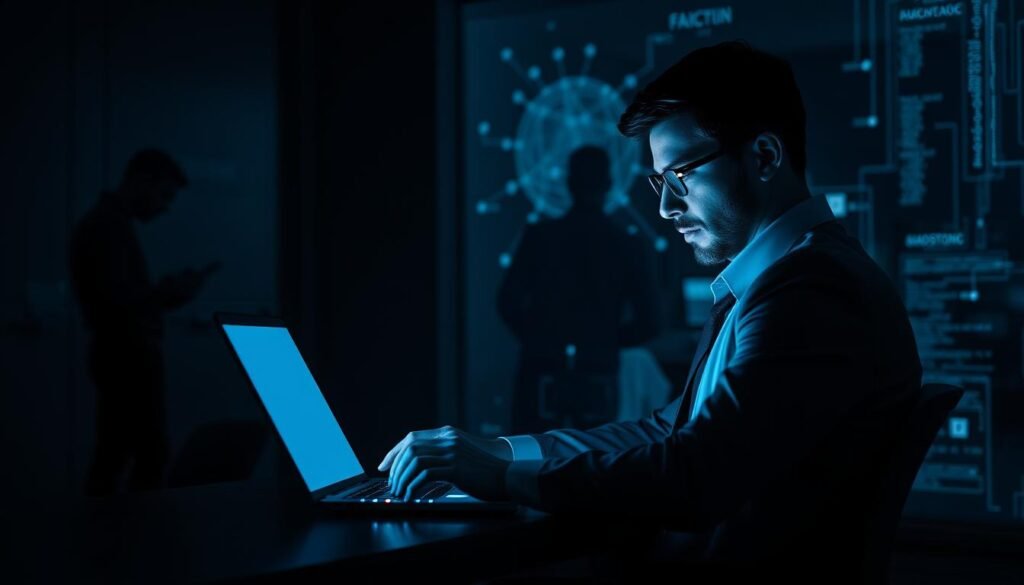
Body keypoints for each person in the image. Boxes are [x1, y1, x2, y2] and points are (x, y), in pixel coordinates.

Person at [378, 41, 922, 575]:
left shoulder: (811, 288)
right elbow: (665, 431)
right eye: (659, 182)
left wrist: (503, 478)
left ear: (763, 157)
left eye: (681, 176)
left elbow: (697, 474)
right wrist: (498, 452)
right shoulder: (783, 280)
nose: (664, 207)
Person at [70, 149, 219, 495]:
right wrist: (171, 291)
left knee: (121, 452)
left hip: (122, 350)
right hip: (126, 353)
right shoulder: (106, 228)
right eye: (164, 194)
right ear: (142, 181)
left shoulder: (107, 225)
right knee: (141, 454)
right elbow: (119, 302)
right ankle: (127, 543)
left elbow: (121, 297)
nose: (165, 206)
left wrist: (168, 293)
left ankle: (118, 541)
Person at [498, 145, 659, 433]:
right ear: (608, 184)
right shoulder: (627, 245)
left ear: (569, 182)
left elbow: (507, 303)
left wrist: (540, 339)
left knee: (528, 460)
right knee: (592, 461)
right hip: (597, 371)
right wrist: (603, 341)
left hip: (540, 368)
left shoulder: (539, 238)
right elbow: (650, 321)